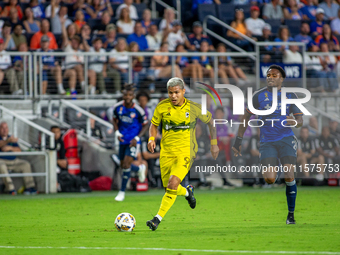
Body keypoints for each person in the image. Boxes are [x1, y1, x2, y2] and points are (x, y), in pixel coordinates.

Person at [232, 65, 304, 225]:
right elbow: (245, 118)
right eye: (268, 75)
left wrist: (295, 122)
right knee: (270, 179)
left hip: (286, 139)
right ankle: (275, 170)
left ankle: (291, 215)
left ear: (281, 78)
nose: (270, 77)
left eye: (274, 75)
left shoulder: (290, 95)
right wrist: (238, 140)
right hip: (267, 141)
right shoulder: (258, 96)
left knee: (289, 175)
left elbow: (300, 121)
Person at [146, 77, 219, 231]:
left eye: (176, 92)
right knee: (169, 189)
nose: (173, 96)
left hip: (186, 151)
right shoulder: (161, 107)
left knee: (173, 184)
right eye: (170, 93)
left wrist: (214, 145)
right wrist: (151, 138)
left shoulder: (194, 108)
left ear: (183, 91)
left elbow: (211, 122)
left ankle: (156, 219)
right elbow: (153, 125)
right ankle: (187, 192)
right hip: (166, 152)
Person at [107, 84, 148, 201]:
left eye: (130, 95)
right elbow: (114, 120)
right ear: (123, 95)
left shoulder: (138, 110)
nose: (127, 97)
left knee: (126, 164)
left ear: (133, 96)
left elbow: (146, 124)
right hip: (122, 139)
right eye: (125, 94)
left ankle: (122, 192)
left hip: (133, 141)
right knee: (122, 165)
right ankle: (139, 169)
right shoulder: (117, 107)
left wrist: (137, 138)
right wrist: (117, 132)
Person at [0, 121, 37, 195]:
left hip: (13, 161)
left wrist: (10, 148)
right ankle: (11, 189)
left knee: (25, 164)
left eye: (6, 128)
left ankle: (29, 188)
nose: (4, 130)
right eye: (2, 128)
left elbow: (19, 150)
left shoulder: (11, 138)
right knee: (1, 166)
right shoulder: (9, 139)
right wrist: (7, 141)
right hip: (2, 161)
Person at [62, 20, 86, 96]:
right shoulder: (68, 48)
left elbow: (83, 64)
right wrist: (62, 24)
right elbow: (65, 37)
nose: (75, 43)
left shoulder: (80, 52)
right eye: (73, 42)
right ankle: (84, 87)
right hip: (66, 69)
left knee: (74, 72)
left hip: (76, 71)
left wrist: (84, 37)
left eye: (77, 42)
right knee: (77, 68)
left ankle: (72, 93)